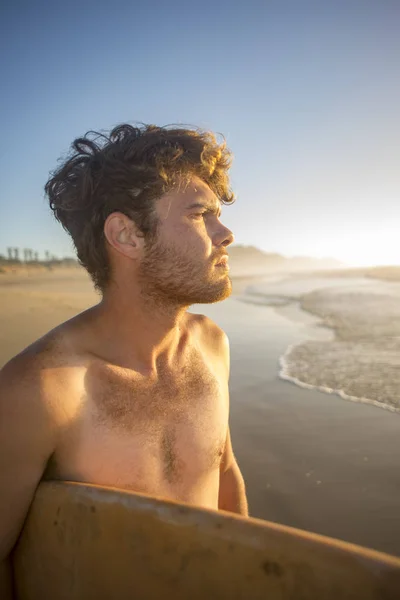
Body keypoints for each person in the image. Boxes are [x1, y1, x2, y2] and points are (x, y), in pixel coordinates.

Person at [0, 123, 248, 596]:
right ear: (127, 235)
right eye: (201, 216)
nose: (227, 234)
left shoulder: (213, 345)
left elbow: (225, 474)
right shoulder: (40, 390)